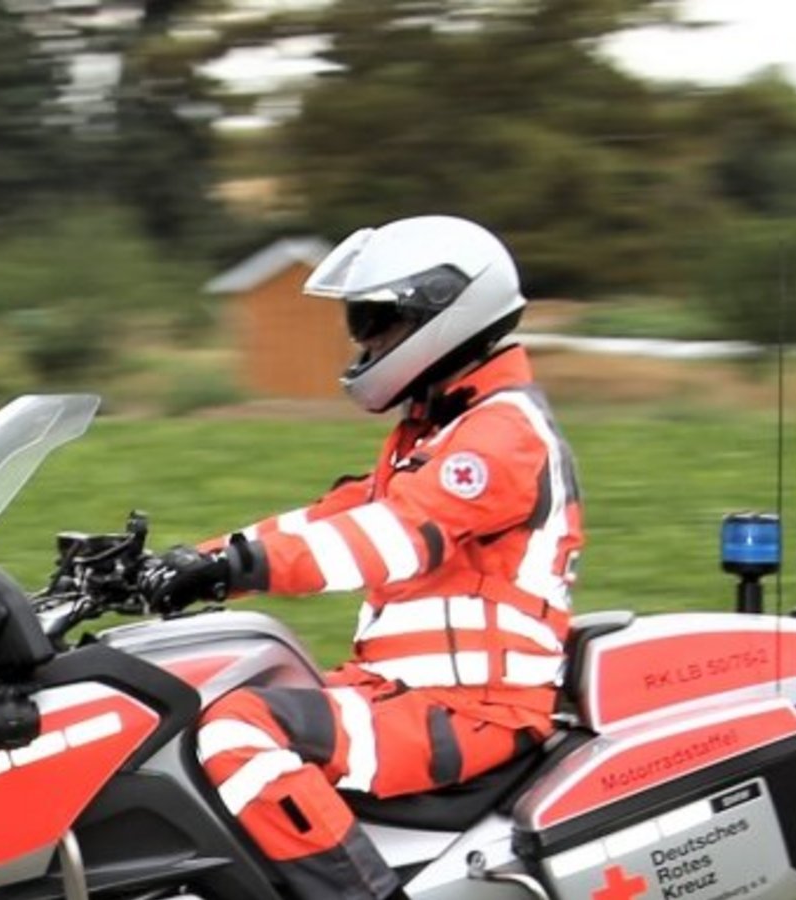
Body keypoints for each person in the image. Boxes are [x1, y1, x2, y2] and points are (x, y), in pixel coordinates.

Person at [142, 215, 583, 900]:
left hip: (474, 709)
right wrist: (178, 563)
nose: (364, 340)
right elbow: (324, 519)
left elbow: (389, 538)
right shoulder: (436, 432)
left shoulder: (500, 435)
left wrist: (230, 570)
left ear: (442, 313)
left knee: (240, 729)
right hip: (405, 691)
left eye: (376, 320)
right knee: (206, 695)